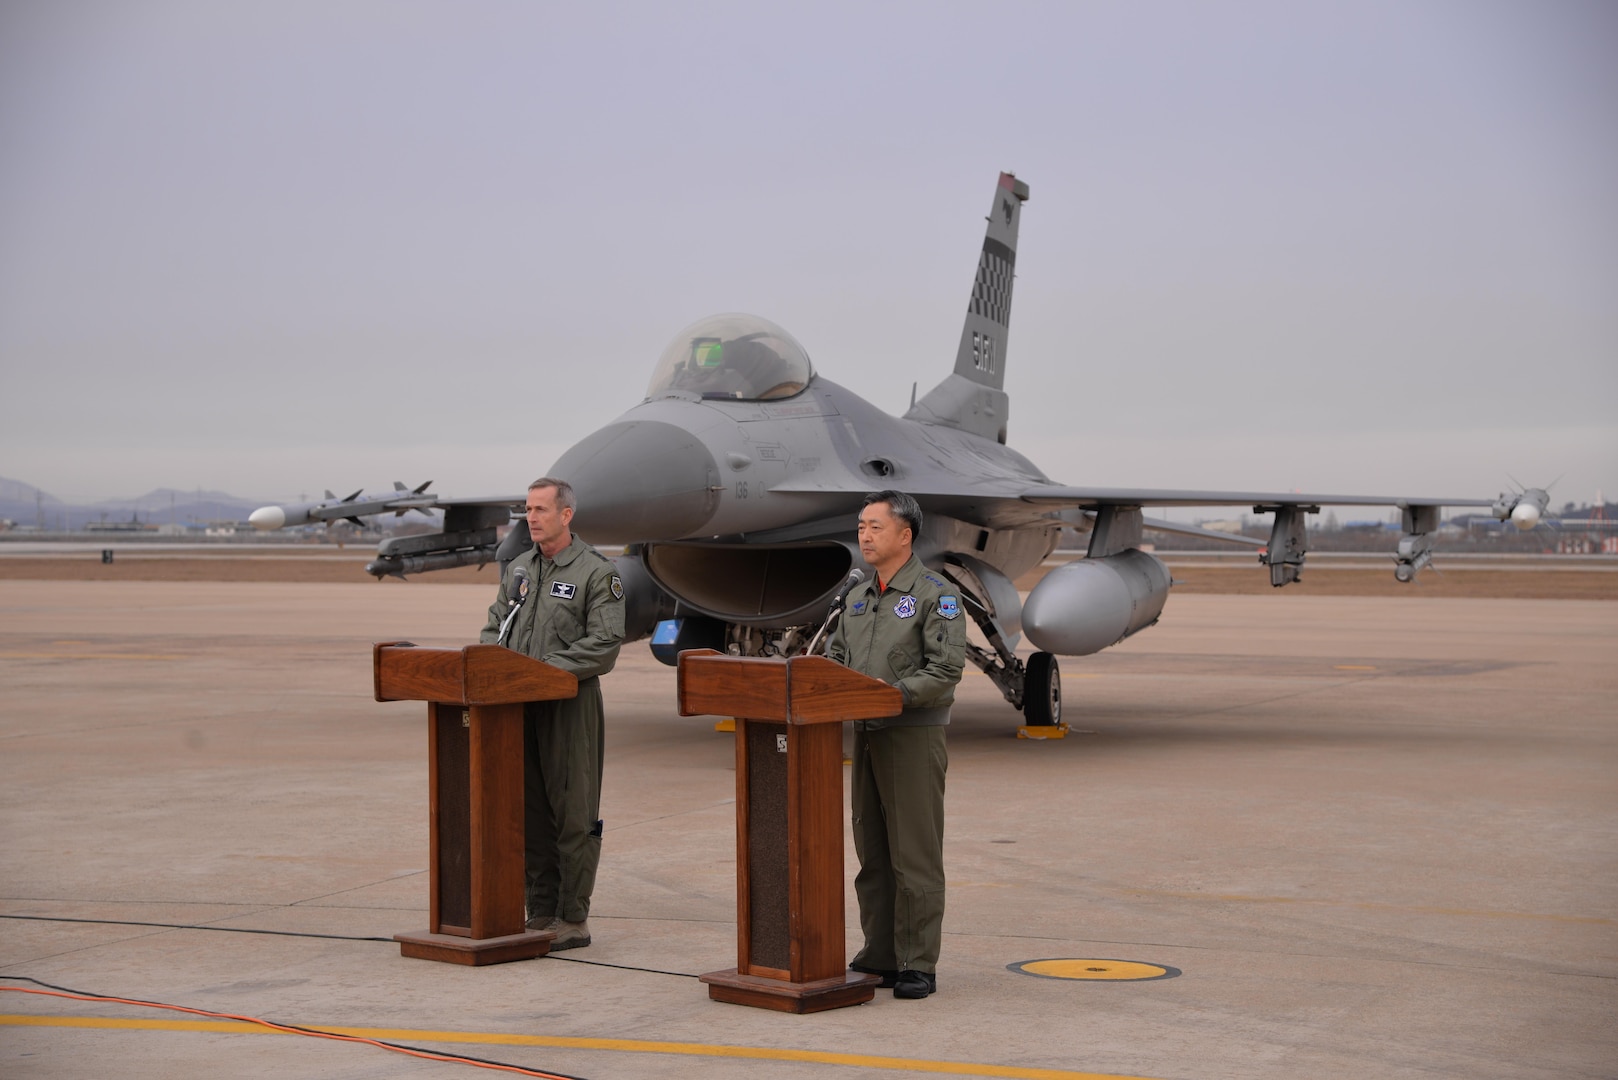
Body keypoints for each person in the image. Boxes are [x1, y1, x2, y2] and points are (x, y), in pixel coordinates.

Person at [825, 490, 966, 999]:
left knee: (915, 854)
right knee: (874, 852)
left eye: (875, 526)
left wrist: (891, 697)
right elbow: (836, 656)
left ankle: (917, 962)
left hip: (911, 734)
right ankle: (879, 955)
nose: (864, 534)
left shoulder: (935, 594)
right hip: (864, 734)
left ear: (905, 535)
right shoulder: (857, 595)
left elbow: (947, 668)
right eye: (861, 525)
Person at [480, 477, 625, 950]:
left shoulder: (597, 574)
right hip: (517, 708)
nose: (532, 518)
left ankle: (572, 917)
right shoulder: (519, 569)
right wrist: (493, 669)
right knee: (531, 812)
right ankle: (539, 911)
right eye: (527, 510)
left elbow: (603, 645)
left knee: (573, 812)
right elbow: (492, 629)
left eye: (541, 509)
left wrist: (541, 672)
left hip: (569, 706)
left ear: (566, 515)